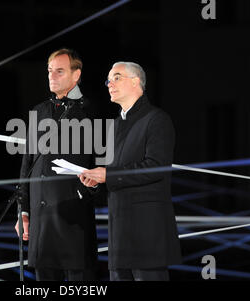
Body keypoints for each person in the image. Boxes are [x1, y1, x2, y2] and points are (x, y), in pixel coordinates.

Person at [79, 62, 182, 281]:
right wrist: (96, 182)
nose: (109, 84)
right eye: (108, 80)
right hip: (119, 236)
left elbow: (156, 167)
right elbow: (112, 173)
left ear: (136, 82)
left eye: (116, 78)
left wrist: (108, 175)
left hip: (147, 234)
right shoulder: (115, 125)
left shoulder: (157, 119)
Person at [14, 48, 98, 281]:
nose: (52, 76)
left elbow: (101, 163)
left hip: (73, 219)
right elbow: (27, 164)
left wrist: (87, 191)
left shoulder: (91, 112)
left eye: (60, 71)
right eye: (50, 71)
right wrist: (23, 211)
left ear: (76, 75)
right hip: (42, 221)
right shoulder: (38, 111)